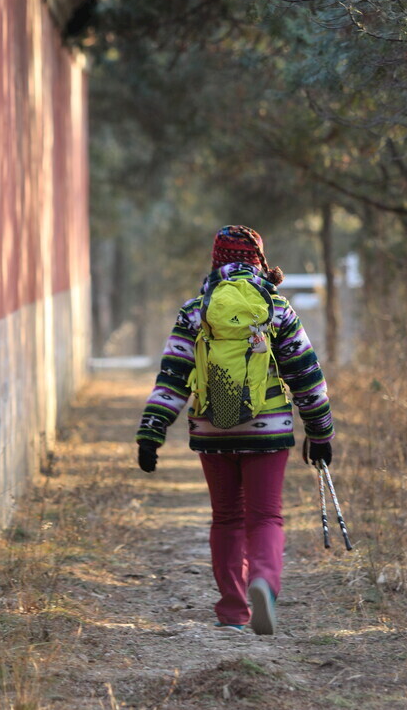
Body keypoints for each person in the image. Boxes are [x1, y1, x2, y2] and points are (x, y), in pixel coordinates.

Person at [135, 225, 334, 636]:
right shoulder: (276, 309)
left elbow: (172, 376)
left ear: (215, 260)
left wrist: (151, 431)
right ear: (259, 259)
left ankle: (233, 610)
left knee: (226, 518)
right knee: (264, 517)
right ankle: (263, 582)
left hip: (212, 431)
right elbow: (306, 376)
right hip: (268, 431)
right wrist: (320, 433)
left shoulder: (195, 311)